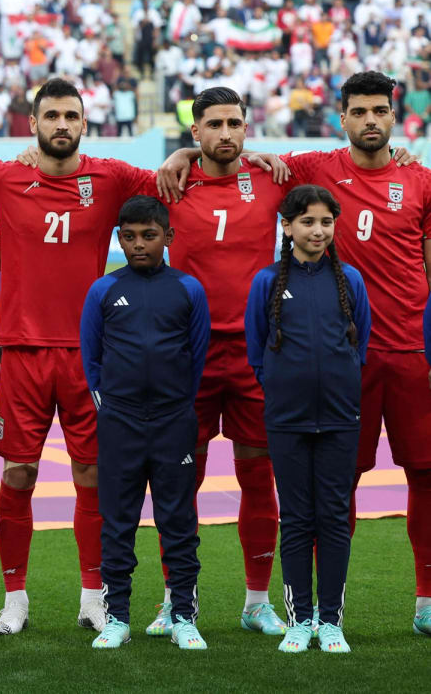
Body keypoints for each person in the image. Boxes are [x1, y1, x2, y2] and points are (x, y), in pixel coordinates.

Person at [160, 71, 431, 633]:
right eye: (360, 112)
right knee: (320, 485)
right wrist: (187, 150)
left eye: (380, 111)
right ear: (342, 118)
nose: (371, 121)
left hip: (399, 351)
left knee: (417, 476)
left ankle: (413, 603)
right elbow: (230, 151)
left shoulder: (417, 179)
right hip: (290, 357)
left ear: (394, 115)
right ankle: (224, 604)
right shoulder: (310, 167)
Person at [0, 77, 155, 634]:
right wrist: (0, 253)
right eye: (52, 116)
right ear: (33, 124)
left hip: (92, 355)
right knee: (18, 473)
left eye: (71, 116)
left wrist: (188, 149)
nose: (61, 125)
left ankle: (93, 596)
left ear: (84, 124)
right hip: (22, 351)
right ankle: (14, 598)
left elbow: (173, 181)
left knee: (91, 474)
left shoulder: (111, 177)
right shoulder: (3, 176)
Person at [146, 87, 292, 636]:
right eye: (214, 124)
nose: (226, 133)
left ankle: (257, 603)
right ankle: (175, 601)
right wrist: (174, 160)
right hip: (189, 357)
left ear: (246, 129)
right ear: (195, 133)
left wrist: (398, 155)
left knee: (259, 478)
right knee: (180, 481)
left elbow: (344, 164)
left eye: (235, 123)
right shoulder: (168, 183)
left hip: (257, 355)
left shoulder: (275, 179)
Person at [79, 196, 211, 651]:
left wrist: (176, 404)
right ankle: (117, 617)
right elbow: (91, 358)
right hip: (120, 422)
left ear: (169, 238)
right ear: (119, 238)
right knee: (118, 521)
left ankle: (183, 616)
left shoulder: (188, 289)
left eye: (149, 236)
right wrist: (111, 407)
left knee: (179, 521)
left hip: (175, 421)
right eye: (130, 236)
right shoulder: (103, 290)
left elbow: (196, 357)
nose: (139, 244)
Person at [245, 185, 370, 655]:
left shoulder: (350, 281)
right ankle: (300, 621)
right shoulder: (267, 282)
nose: (317, 231)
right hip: (287, 420)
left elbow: (360, 345)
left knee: (334, 519)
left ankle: (331, 621)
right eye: (307, 222)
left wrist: (339, 386)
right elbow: (257, 349)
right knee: (297, 520)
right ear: (287, 226)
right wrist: (281, 387)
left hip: (340, 418)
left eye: (325, 223)